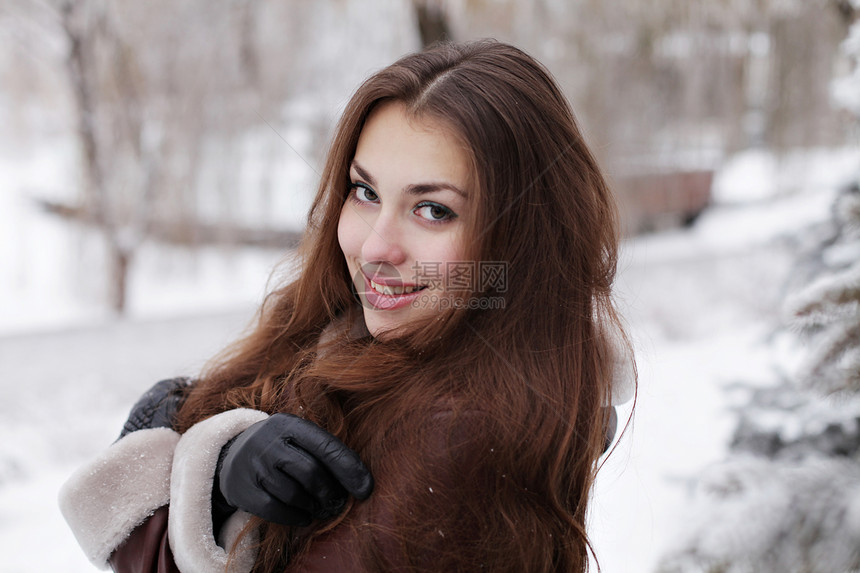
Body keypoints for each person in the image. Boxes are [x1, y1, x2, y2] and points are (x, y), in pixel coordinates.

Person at [59, 39, 634, 572]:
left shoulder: (461, 436)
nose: (376, 246)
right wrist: (216, 463)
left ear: (524, 234)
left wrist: (187, 463)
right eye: (366, 192)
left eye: (433, 210)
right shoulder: (341, 328)